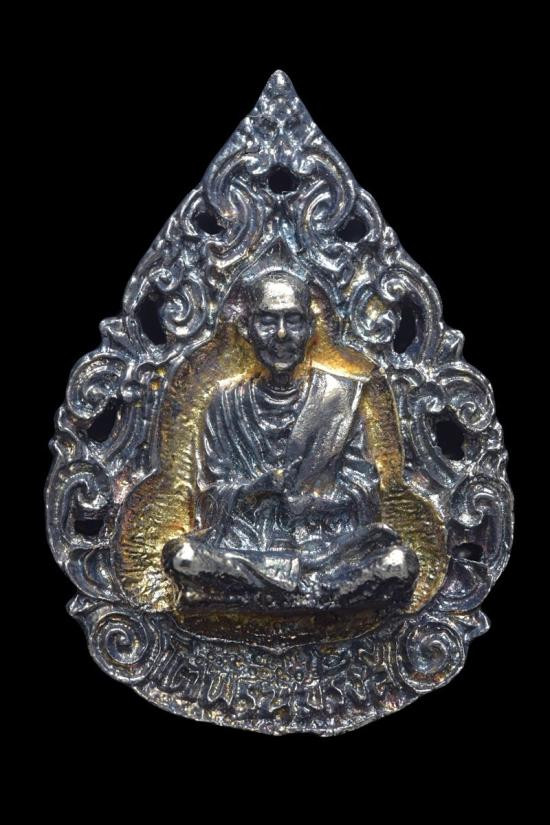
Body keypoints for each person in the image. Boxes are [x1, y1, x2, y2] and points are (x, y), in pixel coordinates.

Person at [164, 266, 418, 611]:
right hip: (249, 548)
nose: (281, 334)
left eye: (294, 320)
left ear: (310, 329)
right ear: (246, 329)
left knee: (399, 563)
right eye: (268, 321)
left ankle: (265, 597)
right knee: (183, 557)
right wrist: (256, 489)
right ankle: (319, 597)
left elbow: (365, 493)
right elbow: (209, 498)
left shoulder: (339, 398)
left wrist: (316, 503)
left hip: (324, 549)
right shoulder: (224, 402)